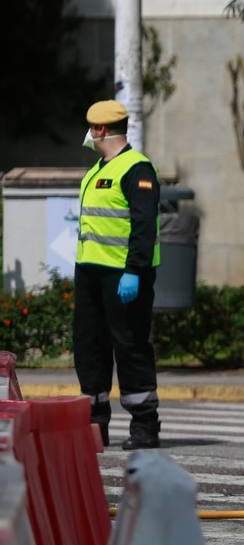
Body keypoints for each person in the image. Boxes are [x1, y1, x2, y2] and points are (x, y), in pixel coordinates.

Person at [74, 100, 162, 450]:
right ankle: (96, 426)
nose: (89, 134)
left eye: (91, 129)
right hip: (91, 276)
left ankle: (144, 428)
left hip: (123, 277)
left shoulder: (137, 169)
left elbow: (144, 227)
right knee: (90, 347)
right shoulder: (97, 169)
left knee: (130, 346)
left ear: (99, 130)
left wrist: (135, 271)